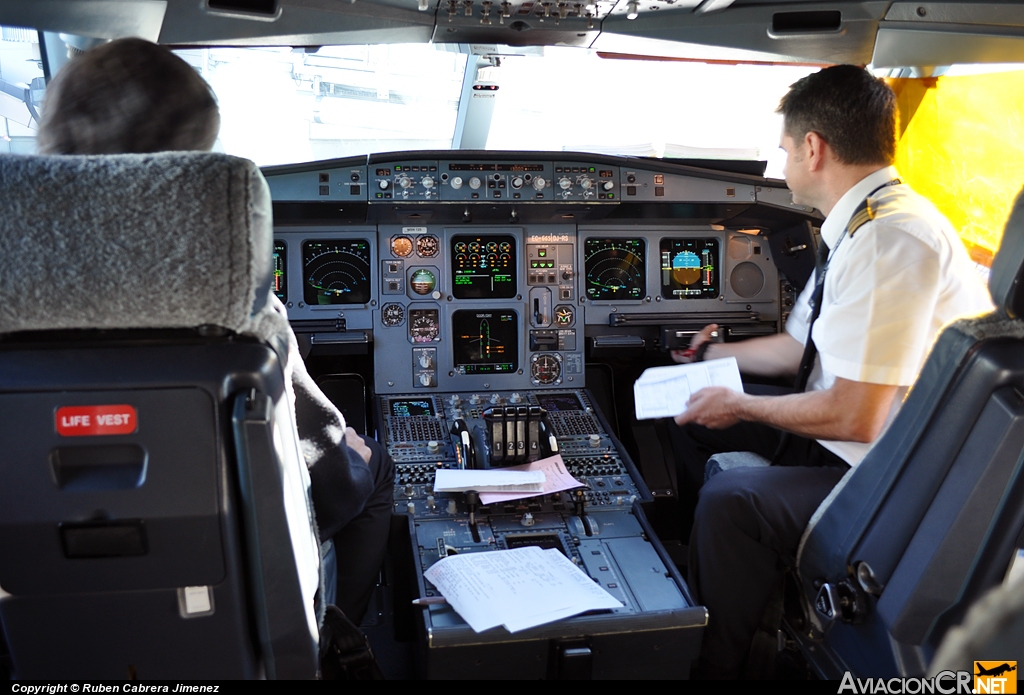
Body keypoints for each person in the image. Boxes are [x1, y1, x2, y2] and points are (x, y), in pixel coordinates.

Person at [37, 37, 393, 625]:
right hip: (223, 587)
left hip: (45, 598)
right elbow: (324, 468)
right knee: (370, 469)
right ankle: (334, 644)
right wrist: (346, 447)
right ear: (188, 165)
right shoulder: (232, 300)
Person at [669, 65, 993, 677]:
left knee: (730, 501)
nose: (784, 162)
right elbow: (799, 352)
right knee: (686, 417)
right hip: (862, 444)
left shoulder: (891, 240)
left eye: (786, 150)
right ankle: (706, 576)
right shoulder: (863, 223)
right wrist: (709, 359)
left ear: (813, 149)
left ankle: (720, 662)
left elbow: (855, 416)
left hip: (894, 478)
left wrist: (737, 403)